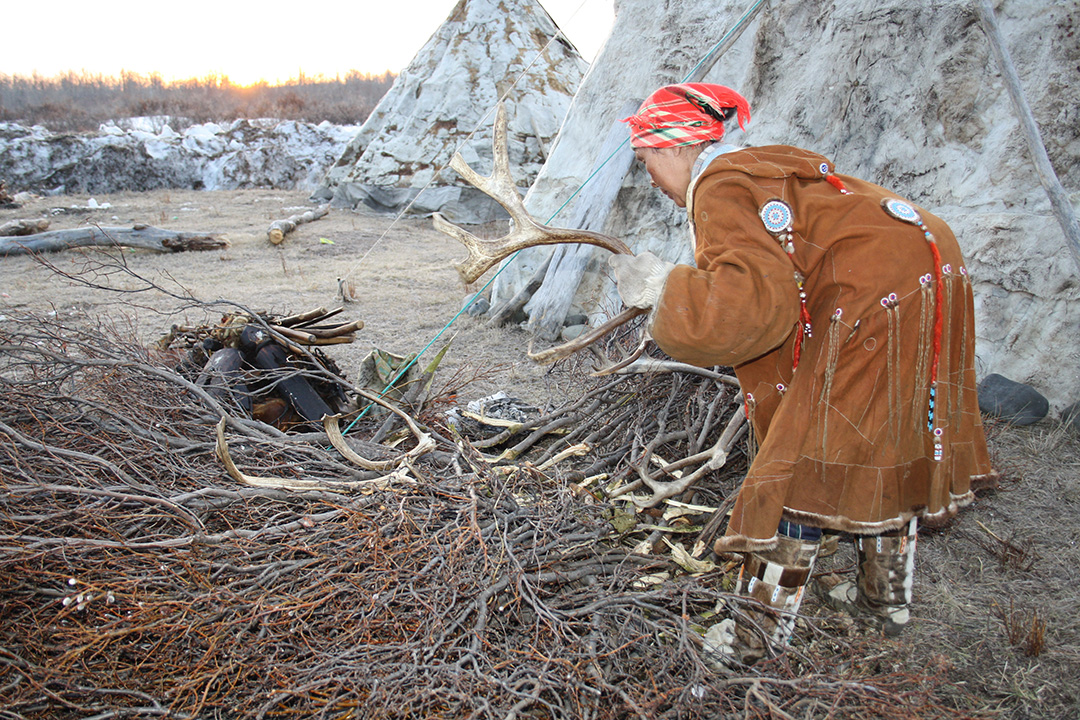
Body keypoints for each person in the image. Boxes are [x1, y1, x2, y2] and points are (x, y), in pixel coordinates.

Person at [609, 83, 997, 665]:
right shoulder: (757, 169)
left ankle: (755, 637)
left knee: (798, 463)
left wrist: (667, 289)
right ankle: (882, 603)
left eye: (645, 160)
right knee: (889, 437)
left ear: (674, 145)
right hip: (928, 264)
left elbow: (751, 305)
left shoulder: (716, 184)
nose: (651, 180)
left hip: (875, 293)